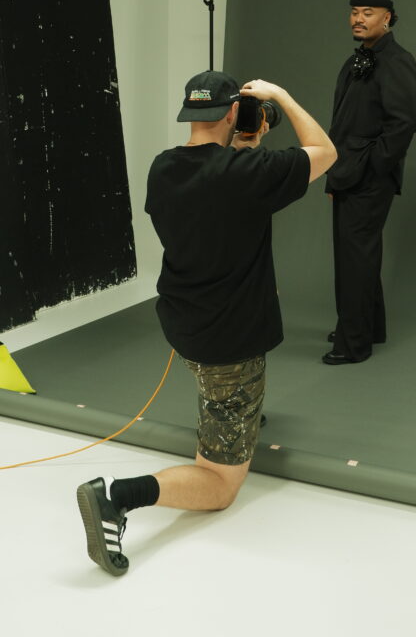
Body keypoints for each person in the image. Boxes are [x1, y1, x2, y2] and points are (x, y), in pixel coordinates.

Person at [76, 69, 336, 577]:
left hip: (184, 325)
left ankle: (233, 413)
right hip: (228, 343)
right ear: (234, 112)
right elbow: (324, 152)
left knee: (222, 392)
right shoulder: (249, 174)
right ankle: (119, 498)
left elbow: (215, 194)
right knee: (220, 485)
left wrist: (244, 147)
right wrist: (280, 96)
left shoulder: (164, 167)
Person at [323, 0, 416, 365]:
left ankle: (354, 343)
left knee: (355, 258)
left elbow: (405, 121)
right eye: (354, 12)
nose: (358, 19)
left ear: (387, 17)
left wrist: (374, 166)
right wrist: (335, 174)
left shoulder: (398, 60)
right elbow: (342, 124)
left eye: (367, 12)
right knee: (358, 255)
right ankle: (368, 327)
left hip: (368, 175)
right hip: (347, 171)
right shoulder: (356, 60)